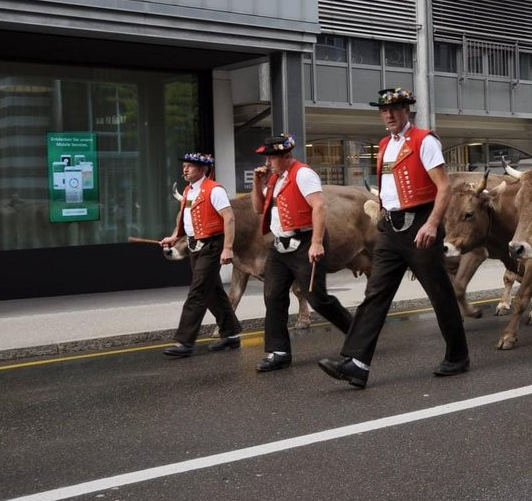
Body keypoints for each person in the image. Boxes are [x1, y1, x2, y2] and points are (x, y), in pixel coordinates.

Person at [318, 88, 469, 388]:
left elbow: (444, 187)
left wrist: (432, 224)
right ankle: (357, 363)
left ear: (407, 110)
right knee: (375, 293)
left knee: (439, 293)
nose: (389, 115)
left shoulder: (425, 141)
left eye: (395, 109)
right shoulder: (385, 145)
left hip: (421, 225)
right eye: (384, 110)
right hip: (390, 228)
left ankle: (458, 355)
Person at [252, 134, 353, 371]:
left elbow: (319, 206)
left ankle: (358, 334)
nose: (268, 162)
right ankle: (278, 352)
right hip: (280, 243)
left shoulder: (304, 174)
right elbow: (258, 209)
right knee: (273, 295)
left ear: (286, 156)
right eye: (266, 157)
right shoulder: (273, 178)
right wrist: (258, 182)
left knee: (317, 297)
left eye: (272, 157)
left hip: (306, 239)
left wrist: (317, 243)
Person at [159, 153, 242, 357]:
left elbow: (229, 218)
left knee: (197, 292)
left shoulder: (214, 190)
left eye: (190, 166)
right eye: (184, 166)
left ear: (203, 169)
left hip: (212, 246)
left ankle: (185, 342)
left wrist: (228, 248)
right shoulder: (188, 191)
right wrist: (173, 237)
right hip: (195, 245)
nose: (185, 169)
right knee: (212, 292)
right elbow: (186, 220)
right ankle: (231, 334)